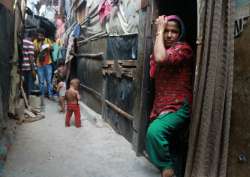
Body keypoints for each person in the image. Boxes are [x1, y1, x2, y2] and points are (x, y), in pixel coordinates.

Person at [145, 15, 193, 177]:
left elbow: (160, 58)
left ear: (180, 34)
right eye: (167, 31)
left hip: (178, 106)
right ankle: (172, 169)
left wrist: (159, 29)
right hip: (161, 106)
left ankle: (167, 169)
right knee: (172, 146)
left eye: (174, 31)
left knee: (155, 132)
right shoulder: (161, 49)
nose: (170, 35)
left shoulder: (183, 48)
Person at [33, 29, 53, 100]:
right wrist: (38, 49)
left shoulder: (47, 40)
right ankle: (42, 95)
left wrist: (47, 47)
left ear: (44, 36)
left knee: (49, 80)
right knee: (41, 81)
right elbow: (34, 51)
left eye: (41, 35)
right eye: (39, 35)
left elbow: (51, 48)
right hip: (39, 64)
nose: (40, 37)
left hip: (48, 63)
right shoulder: (35, 42)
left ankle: (50, 94)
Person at [20, 31, 36, 99]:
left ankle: (24, 100)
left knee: (23, 85)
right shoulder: (30, 43)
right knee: (29, 86)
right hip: (28, 68)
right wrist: (33, 70)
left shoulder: (22, 42)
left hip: (22, 67)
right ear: (33, 37)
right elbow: (31, 58)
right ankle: (29, 101)